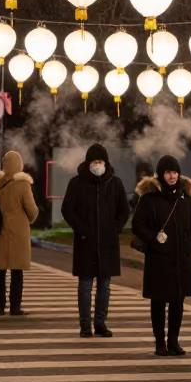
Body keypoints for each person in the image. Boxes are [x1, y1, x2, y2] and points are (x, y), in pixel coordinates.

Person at [133, 155, 191, 357]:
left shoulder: (185, 199)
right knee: (159, 301)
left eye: (175, 172)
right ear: (161, 174)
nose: (173, 176)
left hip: (182, 259)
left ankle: (174, 341)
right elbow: (137, 225)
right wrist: (154, 238)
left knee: (178, 301)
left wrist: (190, 243)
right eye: (168, 172)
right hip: (159, 259)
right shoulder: (149, 199)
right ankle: (160, 342)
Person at [62, 143, 130, 338]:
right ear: (88, 162)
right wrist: (81, 229)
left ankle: (100, 322)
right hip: (86, 242)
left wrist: (114, 229)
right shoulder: (77, 183)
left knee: (104, 285)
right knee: (85, 285)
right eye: (94, 161)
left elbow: (124, 211)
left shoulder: (115, 183)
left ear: (106, 163)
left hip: (107, 244)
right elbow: (68, 209)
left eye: (101, 161)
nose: (98, 164)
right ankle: (85, 325)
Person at [0, 150, 38, 316]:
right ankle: (15, 307)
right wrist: (28, 220)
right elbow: (31, 209)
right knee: (17, 271)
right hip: (18, 232)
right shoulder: (23, 184)